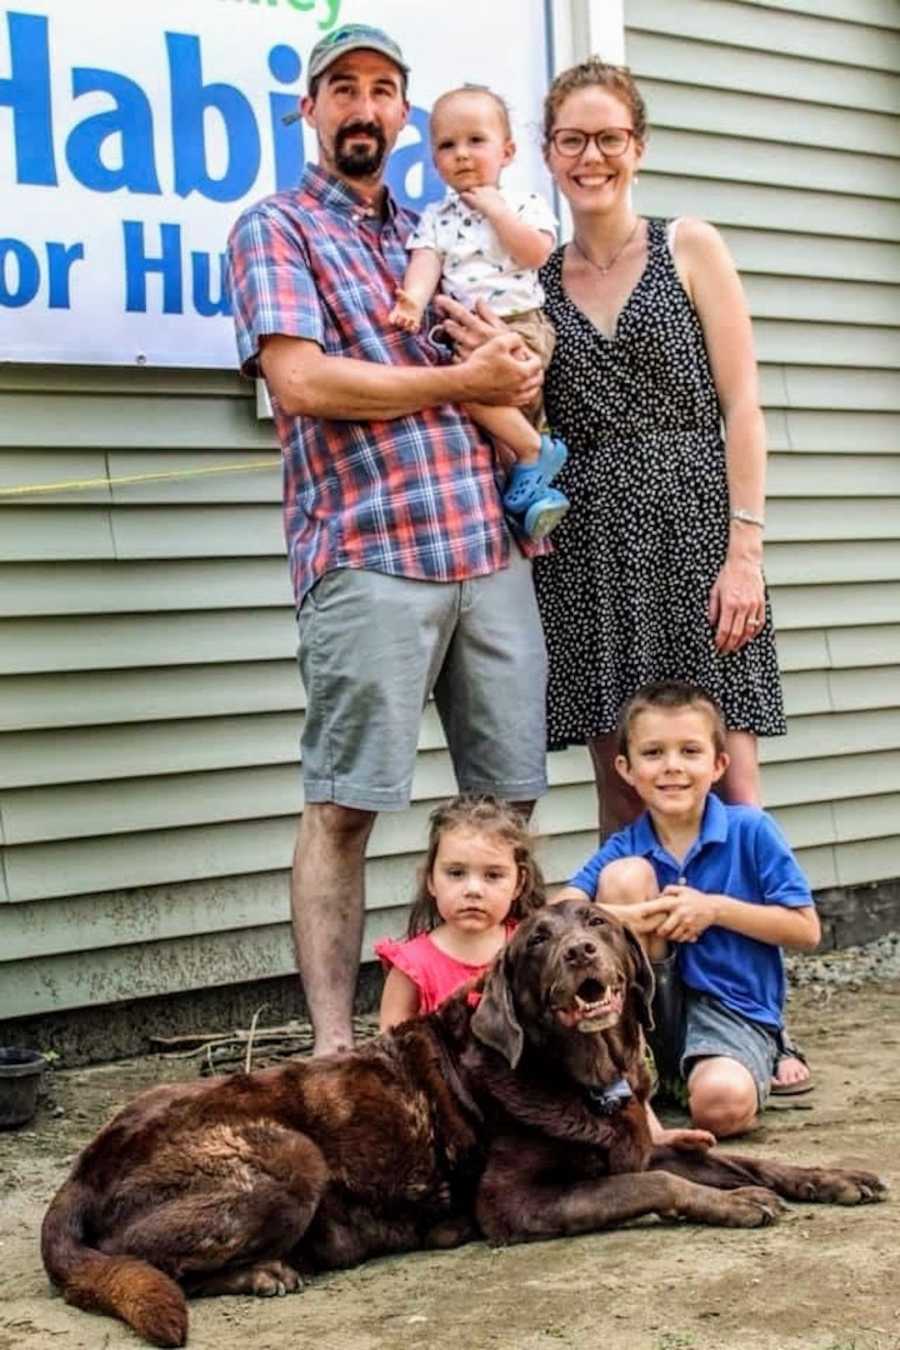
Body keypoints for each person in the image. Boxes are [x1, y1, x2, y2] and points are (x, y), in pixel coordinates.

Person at [438, 56, 808, 1094]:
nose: (591, 156)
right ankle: (634, 1028)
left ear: (637, 146)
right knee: (623, 793)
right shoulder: (536, 282)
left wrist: (747, 548)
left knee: (727, 775)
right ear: (546, 158)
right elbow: (517, 409)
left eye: (609, 137)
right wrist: (473, 389)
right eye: (571, 141)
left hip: (698, 524)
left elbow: (742, 406)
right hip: (591, 541)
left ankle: (756, 1016)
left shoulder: (689, 245)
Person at [226, 24, 550, 1056]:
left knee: (505, 815)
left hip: (488, 550)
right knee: (344, 807)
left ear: (403, 116)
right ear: (310, 111)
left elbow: (504, 350)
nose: (364, 108)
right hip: (368, 556)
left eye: (383, 91)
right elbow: (303, 382)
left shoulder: (439, 230)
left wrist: (515, 369)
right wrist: (466, 382)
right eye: (342, 90)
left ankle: (486, 1033)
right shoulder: (275, 229)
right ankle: (334, 1049)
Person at [554, 681, 821, 1138]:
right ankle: (641, 1059)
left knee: (720, 1107)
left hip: (732, 1008)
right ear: (626, 768)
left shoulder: (751, 830)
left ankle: (749, 1057)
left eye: (690, 751)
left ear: (719, 765)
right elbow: (557, 913)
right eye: (653, 752)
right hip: (650, 1008)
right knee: (624, 878)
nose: (672, 767)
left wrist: (714, 910)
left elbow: (805, 930)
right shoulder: (627, 844)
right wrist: (632, 916)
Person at [389, 84, 569, 540]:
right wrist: (412, 298)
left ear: (507, 152)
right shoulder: (435, 216)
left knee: (467, 393)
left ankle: (536, 451)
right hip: (467, 338)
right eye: (448, 146)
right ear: (434, 161)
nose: (462, 155)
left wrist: (496, 211)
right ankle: (534, 500)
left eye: (476, 141)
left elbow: (535, 254)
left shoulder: (524, 204)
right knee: (481, 414)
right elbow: (427, 259)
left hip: (519, 327)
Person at [376, 794, 545, 1030]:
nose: (473, 890)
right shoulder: (413, 967)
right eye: (456, 873)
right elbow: (389, 1053)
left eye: (493, 875)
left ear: (519, 883)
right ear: (431, 880)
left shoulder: (530, 950)